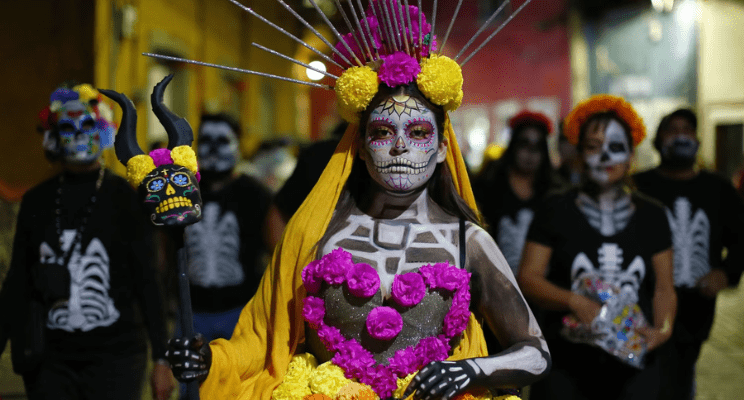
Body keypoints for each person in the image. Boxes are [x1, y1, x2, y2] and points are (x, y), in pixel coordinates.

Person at [164, 2, 551, 399]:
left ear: (440, 149)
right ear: (361, 148)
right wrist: (211, 360)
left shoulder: (466, 241)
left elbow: (536, 353)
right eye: (383, 131)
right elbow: (263, 338)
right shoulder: (316, 234)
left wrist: (469, 371)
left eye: (418, 132)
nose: (400, 147)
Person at [0, 84, 173, 399]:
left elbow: (148, 280)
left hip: (117, 358)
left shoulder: (127, 198)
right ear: (53, 139)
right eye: (68, 126)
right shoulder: (37, 201)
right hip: (50, 360)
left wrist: (161, 358)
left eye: (88, 125)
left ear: (105, 133)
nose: (79, 133)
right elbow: (17, 283)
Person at [518, 95, 677, 400]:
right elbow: (529, 277)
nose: (605, 156)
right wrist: (574, 301)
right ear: (578, 155)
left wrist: (663, 329)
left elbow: (664, 288)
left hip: (634, 363)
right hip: (568, 361)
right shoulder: (555, 208)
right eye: (593, 147)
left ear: (631, 156)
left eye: (616, 147)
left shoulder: (652, 214)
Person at [633, 108, 744, 400]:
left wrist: (726, 272)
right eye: (672, 130)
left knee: (680, 380)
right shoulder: (638, 186)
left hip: (696, 308)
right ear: (658, 140)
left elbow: (741, 240)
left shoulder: (719, 188)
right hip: (644, 304)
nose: (681, 136)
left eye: (688, 129)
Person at [183, 113, 273, 342]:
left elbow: (276, 250)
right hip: (192, 312)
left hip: (241, 311)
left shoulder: (255, 194)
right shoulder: (183, 193)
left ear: (238, 145)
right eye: (205, 141)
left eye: (222, 141)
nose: (213, 149)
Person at [473, 111, 556, 275]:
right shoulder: (489, 183)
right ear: (513, 145)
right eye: (524, 145)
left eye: (537, 147)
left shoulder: (553, 189)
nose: (530, 154)